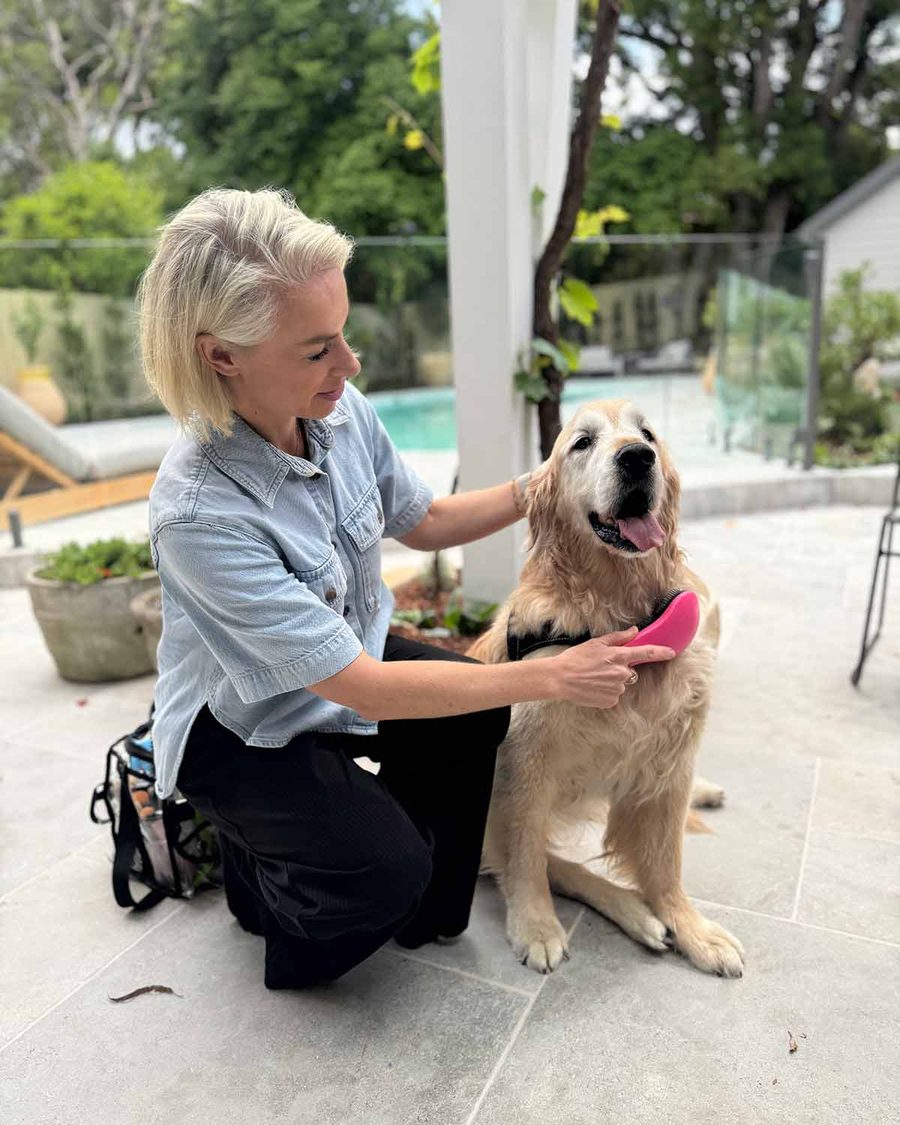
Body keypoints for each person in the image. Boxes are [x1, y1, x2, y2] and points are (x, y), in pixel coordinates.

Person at [136, 187, 674, 991]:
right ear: (222, 357)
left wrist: (553, 481)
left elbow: (423, 521)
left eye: (343, 333)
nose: (350, 365)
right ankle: (261, 883)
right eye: (318, 349)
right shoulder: (197, 513)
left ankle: (410, 896)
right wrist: (552, 673)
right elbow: (361, 685)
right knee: (380, 873)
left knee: (468, 735)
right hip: (243, 723)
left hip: (340, 656)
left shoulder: (336, 409)